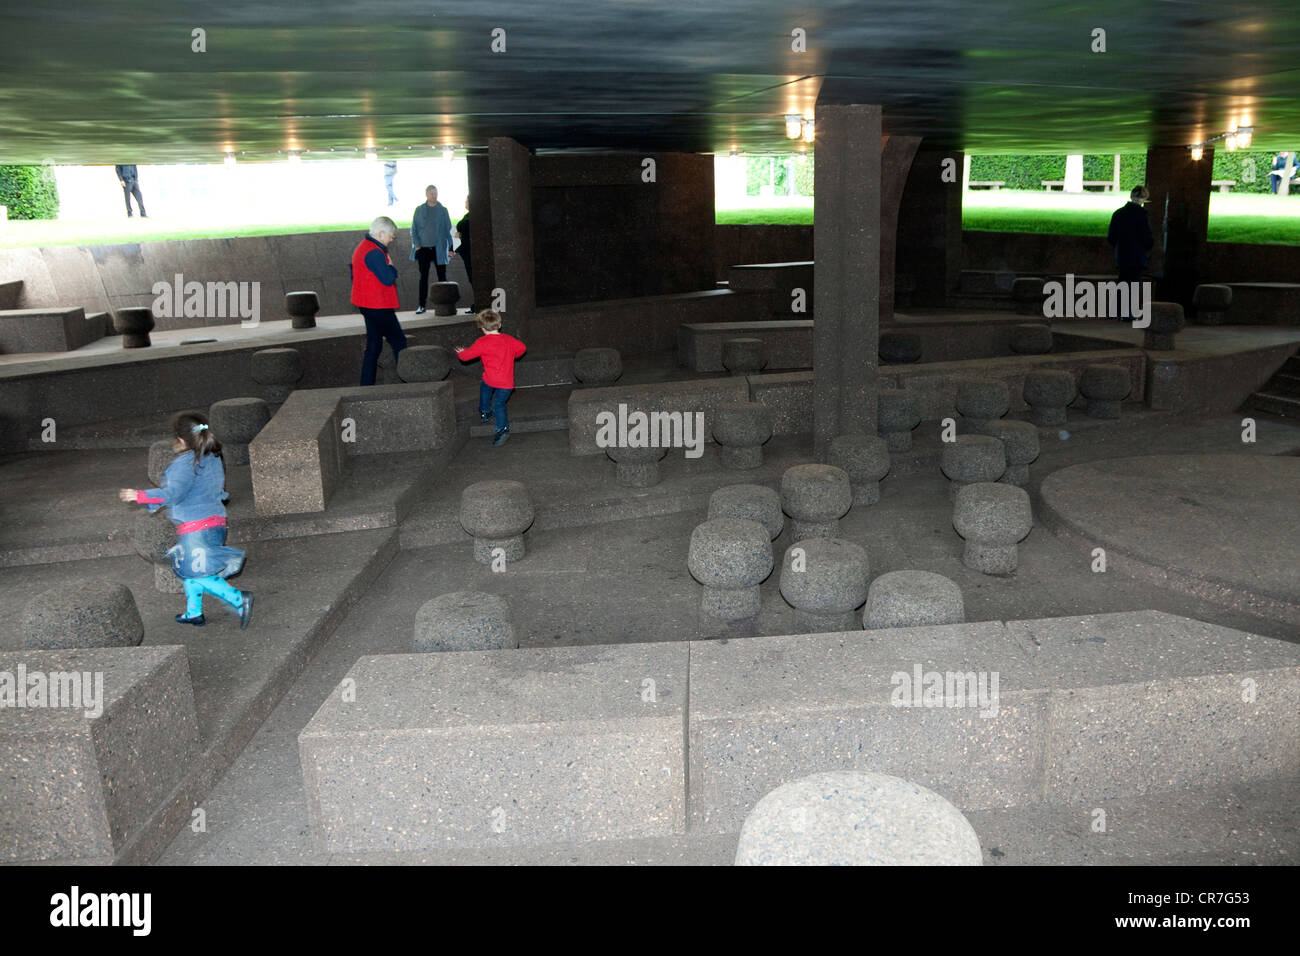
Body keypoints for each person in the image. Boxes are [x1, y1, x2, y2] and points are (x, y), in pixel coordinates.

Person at [118, 411, 253, 629]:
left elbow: (173, 494)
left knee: (198, 574)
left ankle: (238, 598)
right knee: (191, 571)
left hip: (196, 528)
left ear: (181, 440)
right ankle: (194, 612)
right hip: (215, 523)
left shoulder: (185, 464)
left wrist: (140, 495)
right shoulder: (212, 456)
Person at [455, 309, 526, 446]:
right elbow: (522, 348)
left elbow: (466, 357)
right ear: (499, 325)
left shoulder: (482, 342)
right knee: (499, 405)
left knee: (485, 390)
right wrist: (514, 355)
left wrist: (461, 353)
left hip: (490, 379)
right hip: (506, 383)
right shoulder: (508, 339)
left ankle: (485, 411)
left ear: (481, 327)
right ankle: (502, 430)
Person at [351, 215, 406, 386]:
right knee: (399, 343)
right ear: (381, 233)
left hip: (367, 304)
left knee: (374, 346)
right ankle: (410, 383)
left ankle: (366, 385)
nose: (391, 239)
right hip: (378, 305)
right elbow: (388, 278)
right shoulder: (375, 252)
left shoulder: (364, 247)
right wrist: (391, 265)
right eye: (391, 236)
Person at [1106, 185, 1153, 321]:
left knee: (1122, 281)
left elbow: (1111, 237)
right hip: (1137, 255)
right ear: (1143, 199)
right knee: (1133, 283)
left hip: (1122, 253)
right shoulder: (1142, 215)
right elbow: (1146, 237)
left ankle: (1115, 312)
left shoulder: (1119, 213)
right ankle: (1128, 313)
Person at [410, 185, 454, 314]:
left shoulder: (443, 210)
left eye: (435, 193)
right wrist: (417, 244)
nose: (434, 196)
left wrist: (451, 248)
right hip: (423, 249)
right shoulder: (419, 210)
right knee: (423, 277)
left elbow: (448, 230)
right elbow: (414, 229)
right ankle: (421, 305)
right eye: (431, 194)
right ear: (426, 194)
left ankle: (445, 305)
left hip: (439, 249)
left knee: (442, 277)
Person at [455, 196, 473, 287]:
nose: (465, 202)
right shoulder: (467, 218)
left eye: (467, 201)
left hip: (469, 252)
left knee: (472, 276)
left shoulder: (466, 221)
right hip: (466, 252)